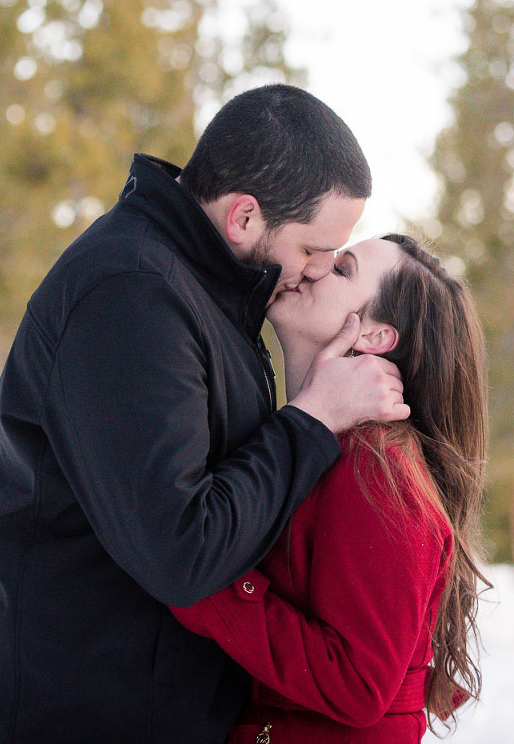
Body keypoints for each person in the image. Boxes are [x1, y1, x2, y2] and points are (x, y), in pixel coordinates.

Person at [0, 85, 410, 744]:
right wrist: (311, 421)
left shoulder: (206, 290)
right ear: (245, 217)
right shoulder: (130, 294)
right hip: (64, 720)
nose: (318, 271)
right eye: (312, 248)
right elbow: (181, 553)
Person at [171, 234, 489, 743]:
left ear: (377, 337)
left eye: (343, 269)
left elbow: (359, 684)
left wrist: (192, 569)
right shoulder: (316, 444)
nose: (315, 266)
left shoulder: (376, 470)